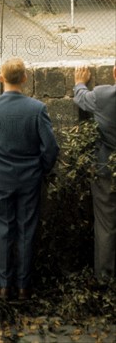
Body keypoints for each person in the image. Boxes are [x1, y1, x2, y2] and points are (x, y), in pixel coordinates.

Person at [0, 59, 59, 300]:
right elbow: (50, 147)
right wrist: (41, 168)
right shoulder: (37, 108)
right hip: (29, 177)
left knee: (3, 228)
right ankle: (23, 286)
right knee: (26, 229)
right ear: (25, 79)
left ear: (0, 79)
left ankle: (3, 285)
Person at [73, 65, 116, 285]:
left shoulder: (102, 95)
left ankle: (106, 278)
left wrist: (80, 82)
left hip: (106, 169)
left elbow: (80, 98)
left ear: (115, 72)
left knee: (106, 223)